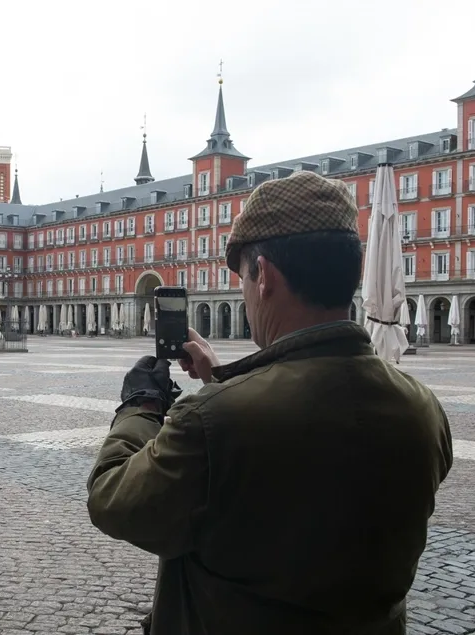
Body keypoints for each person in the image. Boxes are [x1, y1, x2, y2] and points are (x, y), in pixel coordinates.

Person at [86, 170, 453, 635]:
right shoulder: (423, 410)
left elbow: (113, 500)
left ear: (265, 277)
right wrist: (221, 378)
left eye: (242, 277)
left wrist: (140, 405)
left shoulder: (213, 422)